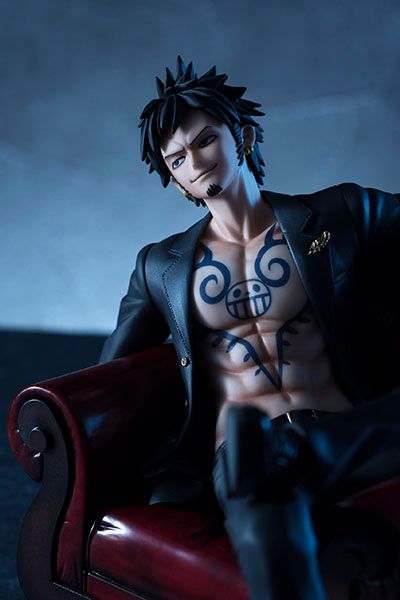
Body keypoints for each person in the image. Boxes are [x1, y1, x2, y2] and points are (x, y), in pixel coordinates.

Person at [99, 56, 400, 599]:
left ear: (242, 135)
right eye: (176, 159)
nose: (195, 162)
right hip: (239, 450)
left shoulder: (338, 214)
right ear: (173, 180)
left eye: (204, 140)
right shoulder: (160, 267)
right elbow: (109, 379)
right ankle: (271, 458)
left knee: (267, 474)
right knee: (256, 480)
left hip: (347, 431)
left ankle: (290, 456)